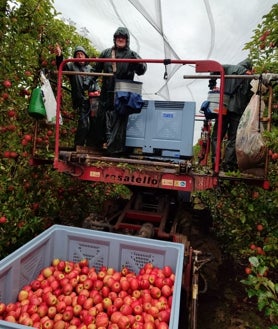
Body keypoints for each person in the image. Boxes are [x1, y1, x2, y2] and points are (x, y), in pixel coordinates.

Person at [92, 27, 147, 154]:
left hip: (123, 93)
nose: (120, 39)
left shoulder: (132, 55)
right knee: (101, 118)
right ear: (115, 38)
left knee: (119, 121)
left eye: (123, 37)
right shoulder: (106, 53)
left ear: (127, 40)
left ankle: (115, 150)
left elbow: (142, 69)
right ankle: (101, 146)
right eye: (118, 37)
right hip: (106, 91)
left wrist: (138, 63)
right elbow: (96, 71)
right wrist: (90, 83)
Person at [209, 58, 253, 172]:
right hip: (238, 111)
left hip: (224, 107)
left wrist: (212, 84)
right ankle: (228, 164)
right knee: (233, 138)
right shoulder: (250, 76)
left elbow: (213, 67)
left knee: (217, 136)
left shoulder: (229, 67)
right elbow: (250, 96)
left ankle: (215, 162)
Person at [55, 44, 100, 148]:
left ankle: (91, 145)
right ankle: (78, 145)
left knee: (94, 123)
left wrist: (97, 91)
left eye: (81, 54)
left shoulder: (90, 68)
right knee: (84, 124)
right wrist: (59, 56)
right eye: (77, 54)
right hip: (81, 100)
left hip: (93, 100)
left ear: (85, 56)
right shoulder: (71, 66)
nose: (80, 56)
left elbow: (95, 82)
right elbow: (61, 67)